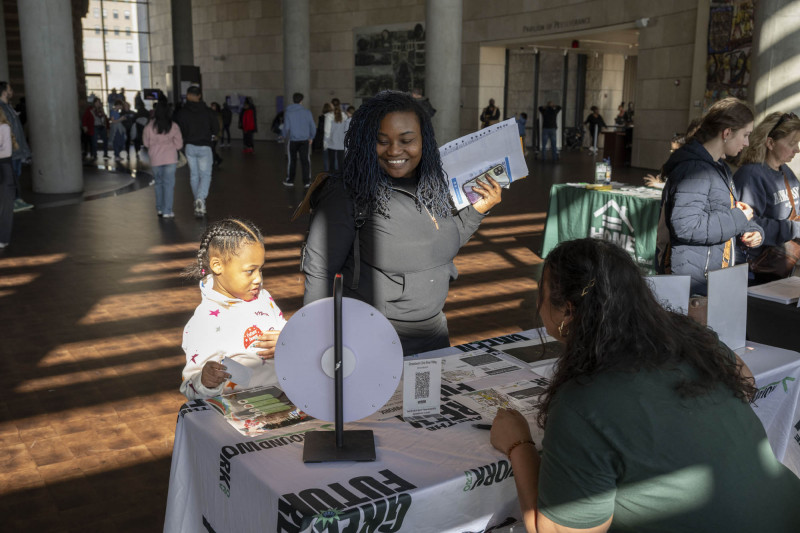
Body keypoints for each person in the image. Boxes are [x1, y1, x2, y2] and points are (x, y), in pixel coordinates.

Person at [490, 238, 800, 533]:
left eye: (541, 294)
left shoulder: (582, 402)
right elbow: (746, 381)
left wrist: (519, 445)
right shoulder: (690, 338)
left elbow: (558, 530)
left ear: (567, 312)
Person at [302, 90, 504, 355]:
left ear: (424, 141)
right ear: (365, 142)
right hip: (373, 337)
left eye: (406, 140)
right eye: (382, 141)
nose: (395, 151)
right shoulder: (347, 193)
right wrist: (317, 341)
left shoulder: (432, 184)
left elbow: (439, 244)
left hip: (434, 333)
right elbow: (319, 270)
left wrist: (477, 210)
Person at [656, 97, 763, 296]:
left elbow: (724, 212)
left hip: (710, 277)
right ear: (727, 133)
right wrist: (739, 218)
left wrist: (752, 229)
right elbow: (687, 226)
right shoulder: (695, 169)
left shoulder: (719, 168)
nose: (747, 143)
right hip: (693, 283)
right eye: (745, 135)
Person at [180, 218, 286, 400]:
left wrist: (287, 340)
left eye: (260, 269)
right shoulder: (204, 322)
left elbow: (289, 334)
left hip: (285, 402)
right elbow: (190, 387)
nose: (258, 279)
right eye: (250, 271)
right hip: (243, 416)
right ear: (217, 265)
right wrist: (204, 381)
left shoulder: (264, 297)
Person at [734, 111, 800, 284]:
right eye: (792, 143)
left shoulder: (786, 172)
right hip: (754, 271)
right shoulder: (750, 175)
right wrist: (794, 229)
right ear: (770, 142)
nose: (797, 150)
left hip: (779, 268)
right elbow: (747, 226)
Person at [173, 85, 218, 217]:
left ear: (187, 95)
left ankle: (198, 201)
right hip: (205, 146)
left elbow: (179, 129)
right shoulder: (208, 111)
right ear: (199, 96)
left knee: (194, 175)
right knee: (205, 175)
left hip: (190, 146)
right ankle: (201, 199)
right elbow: (215, 129)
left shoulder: (182, 112)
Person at [143, 101, 183, 218]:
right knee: (168, 185)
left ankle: (159, 209)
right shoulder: (173, 125)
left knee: (158, 183)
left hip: (155, 158)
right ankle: (167, 211)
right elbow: (179, 145)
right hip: (170, 158)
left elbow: (146, 143)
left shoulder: (149, 127)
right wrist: (171, 147)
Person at [0, 82, 33, 211]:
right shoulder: (2, 108)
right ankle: (13, 201)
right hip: (11, 149)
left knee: (16, 175)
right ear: (4, 92)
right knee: (11, 176)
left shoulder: (8, 107)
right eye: (10, 89)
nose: (12, 91)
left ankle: (16, 200)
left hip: (16, 148)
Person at [283, 92, 316, 188]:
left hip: (293, 140)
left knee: (292, 161)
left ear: (293, 100)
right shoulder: (307, 112)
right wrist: (311, 137)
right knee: (305, 161)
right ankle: (306, 182)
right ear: (302, 100)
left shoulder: (288, 112)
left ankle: (290, 181)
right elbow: (312, 126)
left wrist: (283, 135)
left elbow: (286, 127)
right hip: (305, 140)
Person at [0, 107, 17, 247]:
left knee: (5, 206)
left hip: (4, 169)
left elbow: (7, 152)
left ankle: (3, 239)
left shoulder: (4, 127)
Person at [82, 98, 109, 162]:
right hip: (94, 127)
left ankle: (105, 154)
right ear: (94, 103)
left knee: (105, 140)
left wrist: (107, 127)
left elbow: (105, 118)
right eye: (96, 102)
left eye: (99, 102)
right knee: (94, 142)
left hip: (102, 126)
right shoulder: (90, 110)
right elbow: (85, 118)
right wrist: (85, 126)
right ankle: (94, 155)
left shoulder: (101, 110)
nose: (98, 104)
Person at [325, 99, 346, 172]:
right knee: (341, 162)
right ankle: (340, 179)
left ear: (332, 105)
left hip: (331, 142)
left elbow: (327, 131)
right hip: (341, 142)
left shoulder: (329, 116)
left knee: (331, 162)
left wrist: (325, 143)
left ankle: (331, 179)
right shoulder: (344, 115)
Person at [315, 102, 333, 170]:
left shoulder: (321, 117)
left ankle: (327, 173)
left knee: (326, 158)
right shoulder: (333, 116)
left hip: (325, 140)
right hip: (332, 140)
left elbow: (320, 130)